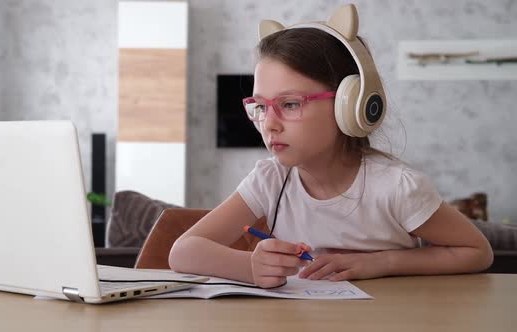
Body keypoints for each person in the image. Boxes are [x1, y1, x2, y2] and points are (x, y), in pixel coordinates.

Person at [169, 4, 493, 288]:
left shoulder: (396, 187)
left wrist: (382, 262)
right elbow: (183, 251)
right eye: (261, 106)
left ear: (348, 105)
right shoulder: (270, 179)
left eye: (291, 104)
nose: (268, 123)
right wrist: (250, 266)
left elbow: (477, 252)